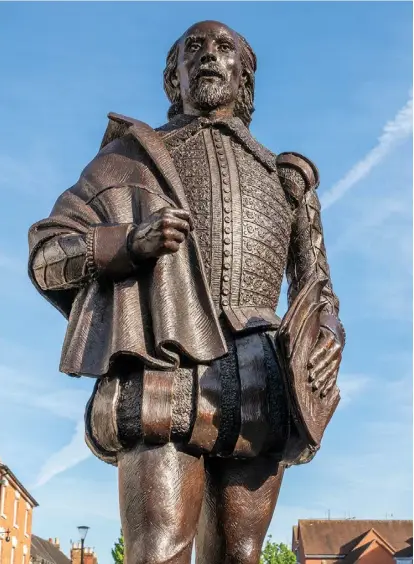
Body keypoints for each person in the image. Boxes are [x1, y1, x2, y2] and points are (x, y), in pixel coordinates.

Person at [28, 20, 345, 564]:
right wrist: (127, 242)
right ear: (172, 77)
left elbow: (319, 289)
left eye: (225, 49)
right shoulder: (129, 160)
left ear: (245, 77)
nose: (208, 56)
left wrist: (329, 334)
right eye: (192, 48)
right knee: (157, 553)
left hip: (260, 383)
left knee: (241, 556)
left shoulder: (286, 180)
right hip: (161, 368)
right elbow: (47, 257)